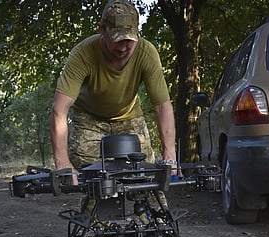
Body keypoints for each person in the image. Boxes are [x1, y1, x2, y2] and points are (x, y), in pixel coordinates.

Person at [50, 0, 178, 185]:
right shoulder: (83, 54)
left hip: (129, 118)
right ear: (102, 29)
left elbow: (162, 106)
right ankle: (94, 213)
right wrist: (62, 164)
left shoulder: (146, 53)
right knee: (96, 182)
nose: (124, 47)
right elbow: (59, 109)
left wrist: (170, 156)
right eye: (117, 39)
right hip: (89, 121)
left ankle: (149, 214)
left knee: (145, 179)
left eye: (129, 40)